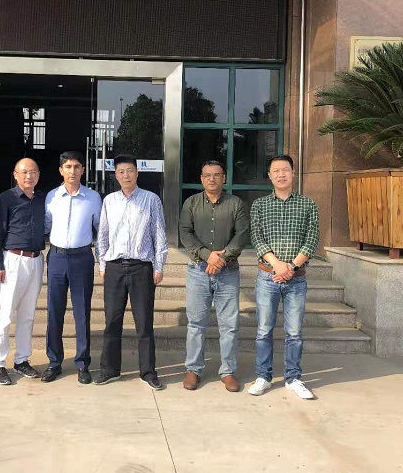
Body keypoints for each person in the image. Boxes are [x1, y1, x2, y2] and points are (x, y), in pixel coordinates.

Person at [248, 154, 319, 400]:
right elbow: (257, 238)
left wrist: (291, 267)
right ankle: (263, 376)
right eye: (276, 170)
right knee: (263, 331)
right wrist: (277, 265)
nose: (281, 174)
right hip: (267, 277)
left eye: (285, 169)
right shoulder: (259, 205)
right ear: (269, 176)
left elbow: (312, 239)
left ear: (293, 173)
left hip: (296, 279)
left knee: (294, 332)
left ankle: (293, 378)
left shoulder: (308, 204)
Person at [94, 154, 168, 390]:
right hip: (114, 268)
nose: (126, 175)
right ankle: (109, 370)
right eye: (121, 171)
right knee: (112, 322)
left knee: (144, 323)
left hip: (141, 268)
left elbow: (159, 235)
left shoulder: (151, 199)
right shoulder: (109, 201)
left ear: (137, 173)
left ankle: (148, 372)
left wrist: (159, 266)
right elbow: (102, 236)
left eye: (130, 171)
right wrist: (102, 265)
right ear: (115, 175)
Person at [179, 160, 249, 392]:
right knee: (196, 323)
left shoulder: (236, 204)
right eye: (207, 175)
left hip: (228, 272)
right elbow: (185, 233)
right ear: (201, 179)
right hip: (198, 270)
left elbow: (241, 235)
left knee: (229, 325)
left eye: (216, 175)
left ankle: (228, 371)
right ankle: (193, 369)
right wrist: (207, 255)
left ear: (224, 178)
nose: (212, 179)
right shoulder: (191, 203)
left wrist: (222, 258)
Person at [42, 151, 102, 384]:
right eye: (68, 166)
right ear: (61, 170)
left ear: (83, 170)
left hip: (82, 258)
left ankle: (82, 364)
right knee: (54, 311)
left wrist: (102, 259)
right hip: (57, 257)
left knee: (82, 312)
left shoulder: (93, 198)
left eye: (77, 166)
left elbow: (101, 229)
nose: (73, 171)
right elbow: (46, 225)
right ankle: (54, 362)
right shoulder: (51, 197)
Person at [0, 158, 46, 385]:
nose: (28, 176)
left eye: (33, 172)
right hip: (13, 260)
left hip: (36, 260)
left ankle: (22, 360)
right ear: (15, 174)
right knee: (5, 315)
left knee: (28, 314)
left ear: (38, 175)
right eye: (24, 172)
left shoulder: (43, 199)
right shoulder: (6, 199)